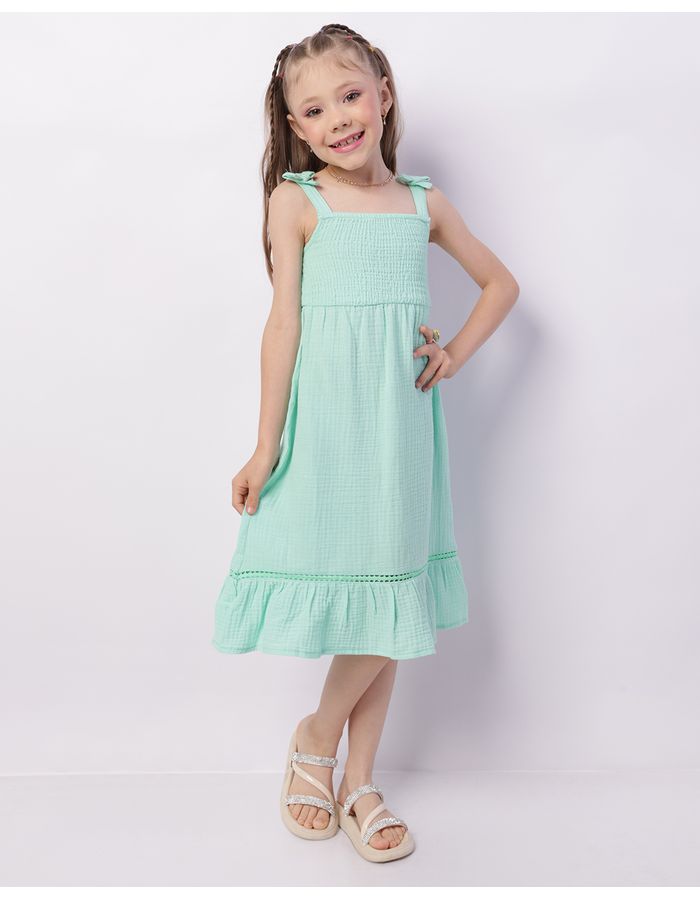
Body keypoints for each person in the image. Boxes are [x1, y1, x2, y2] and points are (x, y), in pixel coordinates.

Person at [211, 23, 519, 863]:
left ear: (382, 90)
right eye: (314, 110)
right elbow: (283, 324)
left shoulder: (424, 204)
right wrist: (265, 444)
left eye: (350, 95)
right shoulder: (297, 201)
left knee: (393, 592)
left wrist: (453, 353)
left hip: (401, 429)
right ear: (297, 128)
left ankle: (348, 768)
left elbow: (500, 285)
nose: (338, 118)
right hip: (329, 426)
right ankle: (328, 752)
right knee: (374, 598)